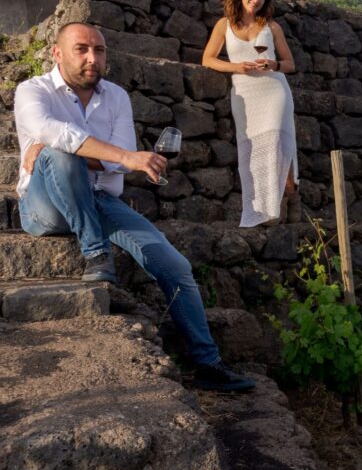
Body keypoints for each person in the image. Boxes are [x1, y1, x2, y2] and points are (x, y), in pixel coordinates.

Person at [14, 22, 255, 393]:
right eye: (82, 49)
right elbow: (55, 132)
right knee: (60, 155)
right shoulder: (33, 91)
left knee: (176, 266)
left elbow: (119, 161)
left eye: (100, 50)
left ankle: (208, 364)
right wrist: (96, 153)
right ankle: (96, 254)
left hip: (99, 200)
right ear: (57, 53)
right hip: (45, 206)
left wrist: (91, 153)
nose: (93, 58)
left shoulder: (116, 97)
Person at [202, 0, 299, 227]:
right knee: (253, 150)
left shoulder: (271, 27)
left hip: (274, 90)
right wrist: (237, 67)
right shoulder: (224, 25)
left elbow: (290, 64)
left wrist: (274, 63)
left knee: (277, 140)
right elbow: (208, 59)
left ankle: (283, 199)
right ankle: (262, 209)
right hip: (245, 92)